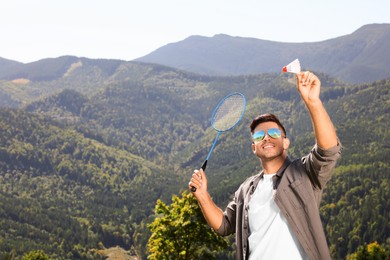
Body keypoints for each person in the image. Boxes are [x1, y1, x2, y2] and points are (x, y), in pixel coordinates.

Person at [189, 71, 342, 260]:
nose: (267, 137)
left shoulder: (303, 174)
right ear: (254, 148)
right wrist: (202, 196)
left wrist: (313, 102)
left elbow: (328, 151)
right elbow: (224, 226)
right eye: (260, 136)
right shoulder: (246, 190)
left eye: (273, 133)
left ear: (286, 142)